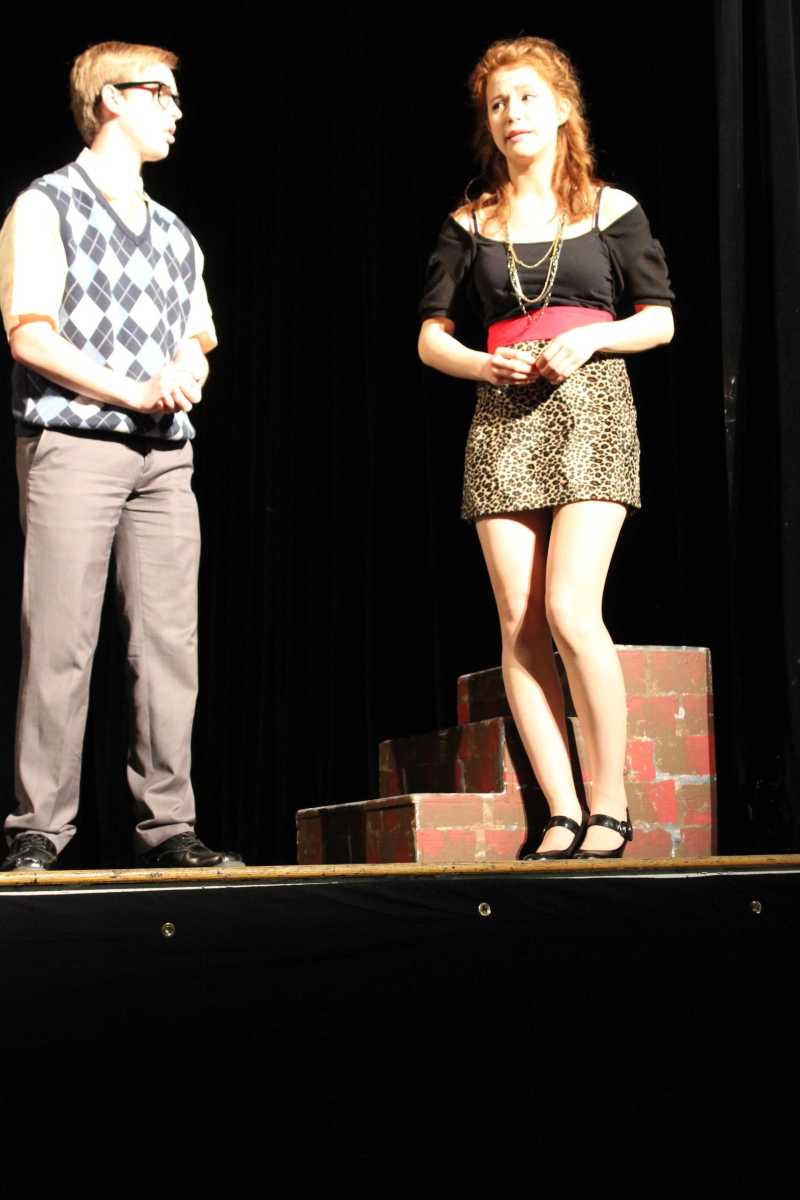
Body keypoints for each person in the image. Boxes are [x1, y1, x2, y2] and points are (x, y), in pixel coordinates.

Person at [418, 36, 674, 860]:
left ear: (564, 108)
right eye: (498, 103)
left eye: (527, 97)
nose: (512, 113)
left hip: (592, 408)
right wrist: (480, 363)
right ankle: (561, 809)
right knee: (519, 619)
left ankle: (611, 803)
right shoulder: (470, 223)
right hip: (503, 415)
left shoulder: (609, 208)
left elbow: (660, 321)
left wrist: (590, 339)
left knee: (569, 606)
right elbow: (430, 336)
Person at [0, 41, 242, 871]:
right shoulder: (46, 205)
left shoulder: (176, 233)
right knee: (61, 640)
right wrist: (133, 390)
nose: (176, 110)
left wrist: (184, 373)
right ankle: (38, 826)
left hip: (164, 459)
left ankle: (169, 825)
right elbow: (31, 334)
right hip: (74, 444)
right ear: (110, 99)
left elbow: (198, 338)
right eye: (160, 94)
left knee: (169, 644)